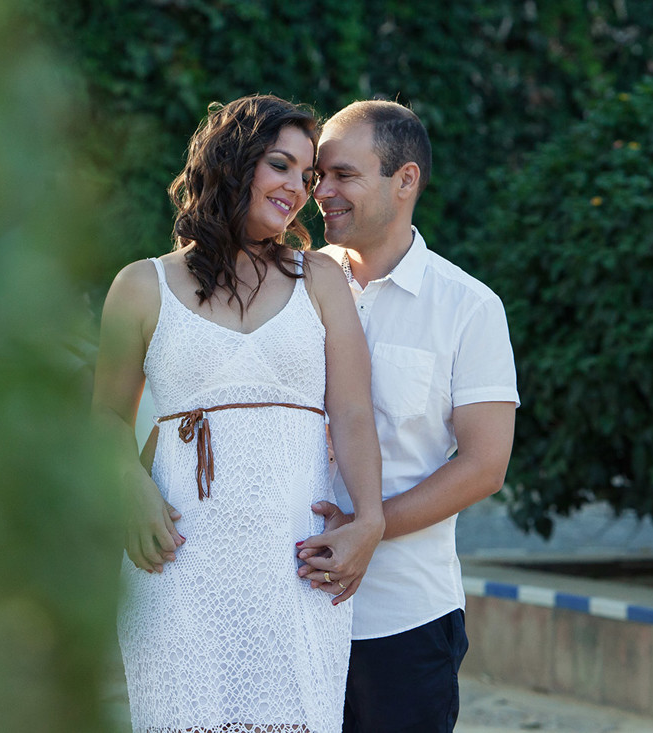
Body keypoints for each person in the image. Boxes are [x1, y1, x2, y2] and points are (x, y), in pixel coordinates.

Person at [92, 95, 385, 733]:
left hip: (294, 573)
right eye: (281, 166)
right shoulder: (141, 286)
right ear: (232, 162)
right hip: (178, 567)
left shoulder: (321, 279)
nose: (298, 190)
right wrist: (129, 486)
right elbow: (107, 421)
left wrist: (370, 520)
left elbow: (355, 413)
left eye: (307, 177)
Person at [296, 100, 519, 732]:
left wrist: (369, 529)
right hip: (282, 610)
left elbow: (484, 465)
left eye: (343, 176)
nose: (322, 193)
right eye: (318, 177)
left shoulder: (468, 307)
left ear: (406, 179)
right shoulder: (286, 290)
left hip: (403, 619)